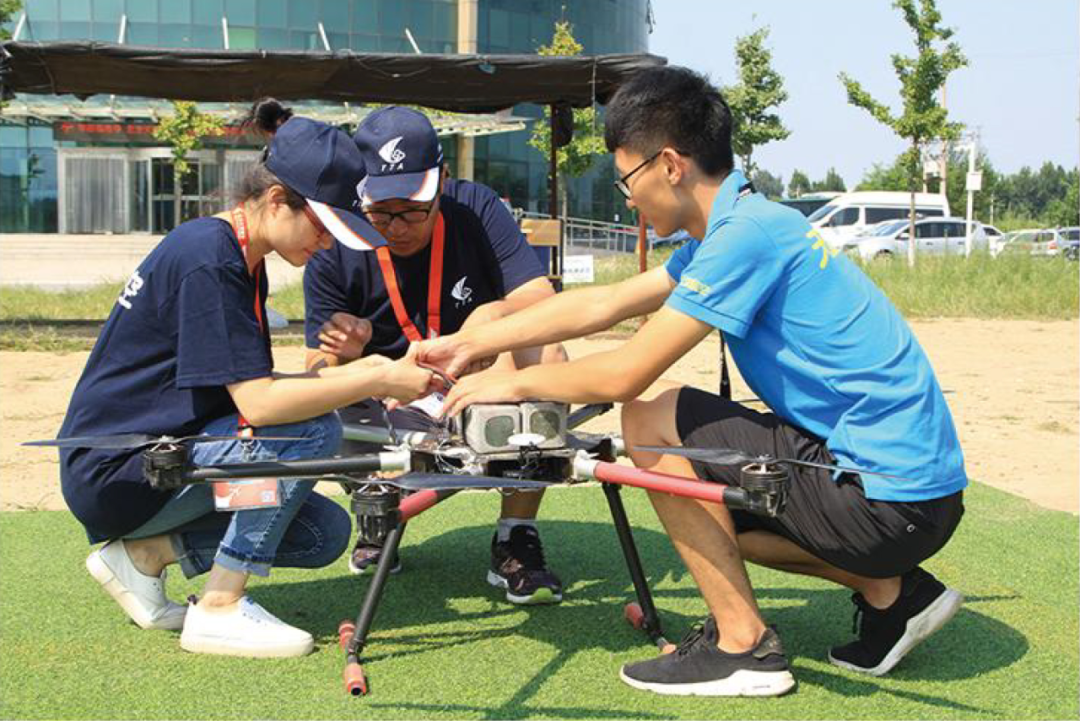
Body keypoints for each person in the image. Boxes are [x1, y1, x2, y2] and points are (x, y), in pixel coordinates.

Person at [418, 66, 966, 696]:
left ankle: (743, 646)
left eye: (626, 178)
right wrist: (471, 342)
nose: (626, 197)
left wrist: (510, 385)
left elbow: (628, 373)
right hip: (910, 497)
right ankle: (891, 591)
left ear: (669, 165)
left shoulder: (745, 238)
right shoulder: (742, 225)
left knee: (655, 418)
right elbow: (612, 301)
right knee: (723, 515)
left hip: (886, 499)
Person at [57, 100, 434, 659]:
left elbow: (247, 391)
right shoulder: (210, 258)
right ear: (279, 200)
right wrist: (375, 372)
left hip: (153, 458)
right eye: (324, 226)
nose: (329, 244)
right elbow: (259, 405)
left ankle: (142, 557)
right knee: (312, 433)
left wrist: (359, 371)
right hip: (121, 470)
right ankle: (219, 607)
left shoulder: (233, 254)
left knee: (321, 533)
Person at [303, 106, 569, 605]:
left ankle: (515, 534)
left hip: (476, 383)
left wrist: (486, 324)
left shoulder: (477, 207)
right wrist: (354, 360)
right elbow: (315, 370)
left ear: (442, 182)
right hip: (386, 397)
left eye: (412, 209)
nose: (396, 226)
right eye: (380, 211)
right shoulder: (338, 238)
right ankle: (378, 515)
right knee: (324, 411)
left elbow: (541, 300)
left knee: (548, 351)